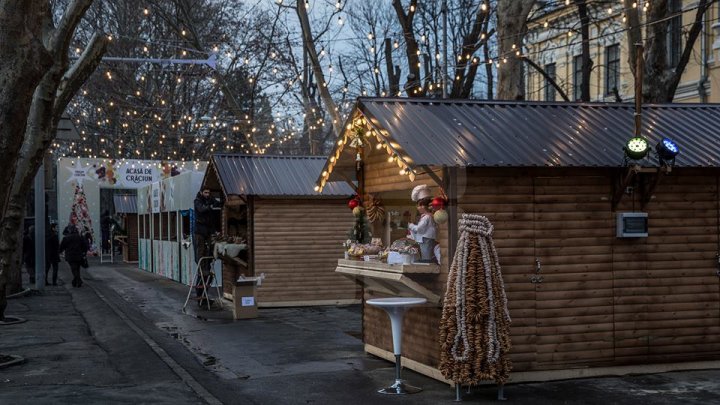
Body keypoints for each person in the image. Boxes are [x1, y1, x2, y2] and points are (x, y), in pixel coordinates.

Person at [193, 187, 220, 305]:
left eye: (209, 193)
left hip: (208, 230)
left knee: (209, 250)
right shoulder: (197, 201)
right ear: (201, 193)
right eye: (206, 193)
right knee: (201, 251)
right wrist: (210, 207)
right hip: (200, 231)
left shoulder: (210, 199)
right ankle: (201, 296)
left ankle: (204, 297)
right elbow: (201, 209)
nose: (207, 195)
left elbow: (218, 204)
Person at [408, 185, 438, 263]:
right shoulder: (429, 216)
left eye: (420, 205)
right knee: (426, 255)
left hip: (425, 239)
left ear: (425, 206)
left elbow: (419, 229)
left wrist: (410, 226)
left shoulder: (426, 217)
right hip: (426, 238)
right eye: (418, 205)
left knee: (426, 257)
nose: (418, 208)